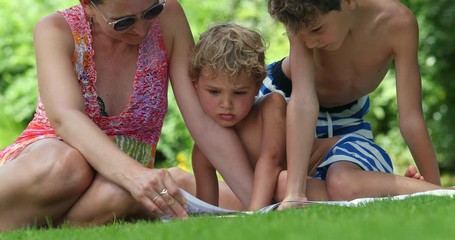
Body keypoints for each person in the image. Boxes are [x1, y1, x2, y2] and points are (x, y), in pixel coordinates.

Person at [0, 0, 256, 231]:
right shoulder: (55, 30)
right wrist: (135, 175)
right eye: (123, 22)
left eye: (151, 11)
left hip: (121, 182)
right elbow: (65, 117)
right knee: (66, 164)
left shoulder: (169, 18)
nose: (142, 29)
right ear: (88, 5)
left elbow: (203, 124)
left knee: (124, 191)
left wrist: (259, 205)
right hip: (50, 162)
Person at [261, 0, 442, 206]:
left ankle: (398, 189)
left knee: (342, 183)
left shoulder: (398, 23)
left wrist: (437, 191)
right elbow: (303, 101)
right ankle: (392, 189)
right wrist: (294, 193)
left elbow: (411, 118)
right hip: (285, 104)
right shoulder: (303, 15)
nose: (309, 43)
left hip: (348, 121)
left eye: (317, 30)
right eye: (302, 36)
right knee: (276, 184)